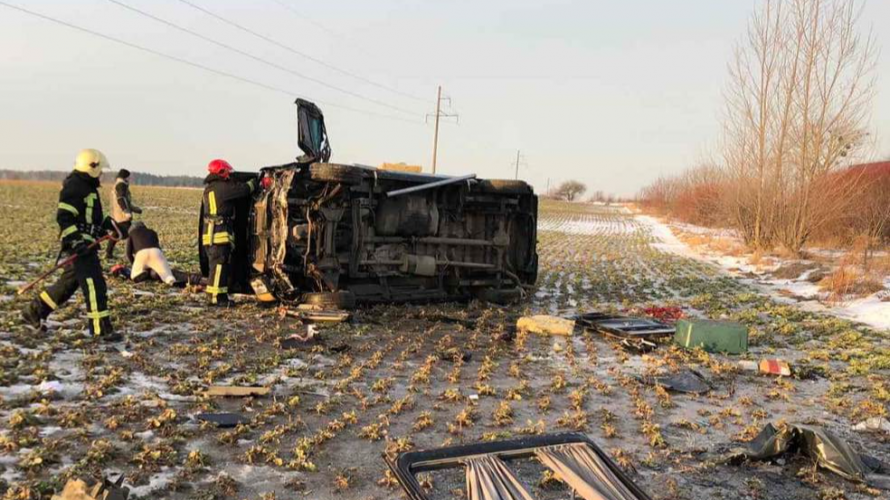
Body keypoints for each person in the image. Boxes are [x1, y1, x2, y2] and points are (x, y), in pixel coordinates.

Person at [22, 149, 124, 340]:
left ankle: (34, 311)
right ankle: (101, 329)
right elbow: (64, 217)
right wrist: (76, 241)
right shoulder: (75, 186)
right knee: (95, 286)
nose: (101, 173)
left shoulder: (88, 187)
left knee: (68, 285)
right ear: (91, 167)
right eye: (100, 169)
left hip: (87, 244)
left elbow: (92, 219)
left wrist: (111, 225)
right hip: (81, 247)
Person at [202, 159, 256, 306]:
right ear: (221, 172)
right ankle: (216, 298)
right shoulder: (223, 188)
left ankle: (217, 295)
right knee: (219, 266)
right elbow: (245, 189)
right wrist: (255, 182)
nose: (229, 176)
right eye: (227, 172)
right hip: (219, 234)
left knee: (216, 266)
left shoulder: (210, 189)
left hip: (210, 235)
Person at [105, 168, 141, 260]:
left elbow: (126, 201)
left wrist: (135, 209)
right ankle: (136, 254)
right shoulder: (121, 185)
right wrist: (126, 212)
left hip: (119, 214)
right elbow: (121, 199)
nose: (130, 179)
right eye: (129, 177)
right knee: (131, 233)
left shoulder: (119, 184)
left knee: (116, 233)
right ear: (125, 177)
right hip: (122, 216)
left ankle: (108, 253)